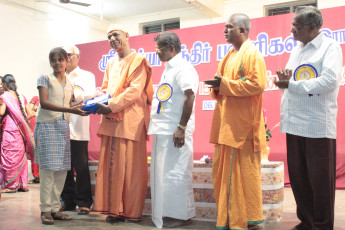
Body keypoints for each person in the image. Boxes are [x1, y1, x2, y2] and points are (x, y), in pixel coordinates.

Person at [274, 6, 342, 230]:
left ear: (313, 27)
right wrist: (286, 79)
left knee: (320, 181)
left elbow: (329, 81)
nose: (292, 30)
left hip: (317, 125)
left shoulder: (330, 47)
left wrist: (291, 84)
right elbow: (293, 80)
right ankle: (307, 221)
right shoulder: (298, 50)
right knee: (299, 178)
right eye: (292, 25)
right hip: (294, 123)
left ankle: (322, 225)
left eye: (297, 26)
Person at [205, 13, 267, 230]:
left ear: (242, 30)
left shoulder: (253, 54)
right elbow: (221, 84)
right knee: (222, 173)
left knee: (244, 175)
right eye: (224, 27)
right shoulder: (229, 55)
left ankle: (246, 218)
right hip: (226, 123)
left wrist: (226, 85)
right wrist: (216, 87)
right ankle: (230, 217)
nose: (224, 30)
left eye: (229, 27)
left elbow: (257, 84)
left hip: (242, 127)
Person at [93, 24, 153, 223]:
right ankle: (115, 209)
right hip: (111, 120)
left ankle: (131, 211)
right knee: (112, 167)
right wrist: (94, 102)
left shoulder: (138, 61)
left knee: (131, 169)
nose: (112, 39)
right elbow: (105, 88)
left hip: (130, 121)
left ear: (127, 36)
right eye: (109, 36)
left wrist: (110, 105)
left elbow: (135, 91)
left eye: (115, 34)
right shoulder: (110, 63)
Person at [147, 31, 199, 228]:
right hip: (163, 129)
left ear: (171, 48)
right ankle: (168, 212)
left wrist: (181, 127)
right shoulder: (168, 69)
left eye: (159, 49)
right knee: (165, 174)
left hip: (175, 131)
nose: (157, 52)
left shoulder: (183, 68)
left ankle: (182, 215)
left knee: (177, 173)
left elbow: (190, 95)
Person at [34, 47, 87, 225]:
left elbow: (71, 103)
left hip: (63, 127)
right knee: (48, 170)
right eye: (53, 60)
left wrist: (85, 106)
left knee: (63, 170)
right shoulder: (45, 78)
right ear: (50, 62)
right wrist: (70, 109)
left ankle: (56, 208)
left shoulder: (70, 82)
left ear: (67, 61)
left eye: (60, 59)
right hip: (47, 126)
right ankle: (45, 209)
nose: (57, 63)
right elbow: (44, 103)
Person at [60, 45, 95, 215]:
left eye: (68, 55)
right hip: (60, 127)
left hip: (78, 128)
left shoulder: (87, 76)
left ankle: (84, 202)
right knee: (64, 168)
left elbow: (87, 96)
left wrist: (70, 94)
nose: (65, 59)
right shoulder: (57, 76)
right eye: (62, 56)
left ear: (77, 57)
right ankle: (67, 201)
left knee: (80, 167)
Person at [0, 74, 35, 193]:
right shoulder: (22, 96)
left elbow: (1, 111)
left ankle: (10, 186)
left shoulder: (5, 96)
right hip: (20, 130)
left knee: (9, 156)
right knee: (20, 156)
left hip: (9, 128)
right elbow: (30, 114)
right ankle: (22, 184)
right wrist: (22, 121)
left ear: (5, 84)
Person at [27, 96, 40, 183]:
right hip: (33, 128)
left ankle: (40, 176)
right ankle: (36, 176)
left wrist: (37, 110)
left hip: (41, 127)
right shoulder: (36, 98)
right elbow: (29, 108)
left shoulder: (51, 99)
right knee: (34, 152)